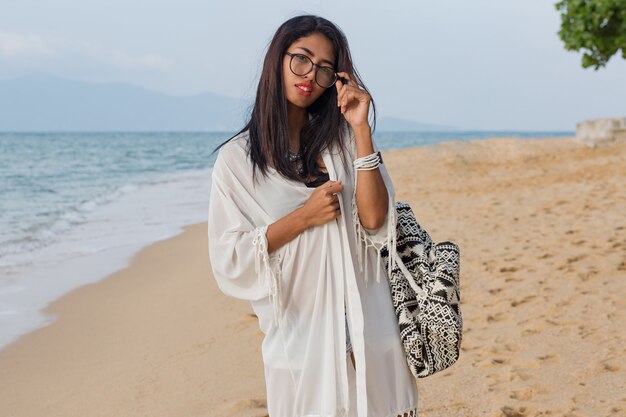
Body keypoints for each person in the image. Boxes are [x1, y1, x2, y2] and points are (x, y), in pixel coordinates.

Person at [208, 14, 419, 417]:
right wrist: (303, 218)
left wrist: (360, 130)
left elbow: (377, 224)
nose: (310, 76)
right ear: (278, 59)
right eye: (301, 59)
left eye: (325, 69)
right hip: (302, 336)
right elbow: (229, 259)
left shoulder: (341, 141)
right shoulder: (237, 162)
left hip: (369, 326)